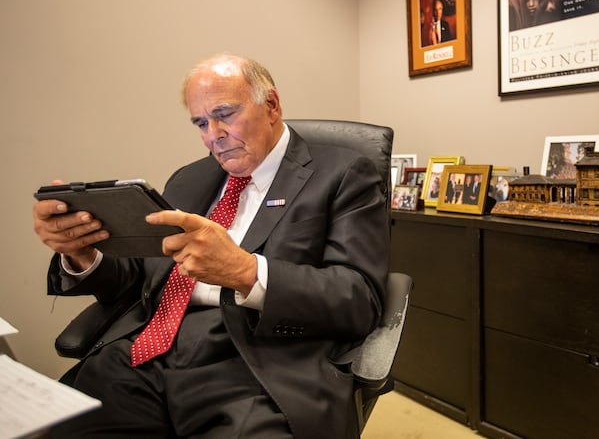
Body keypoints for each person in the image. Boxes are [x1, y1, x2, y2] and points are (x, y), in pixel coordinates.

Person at [32, 53, 390, 438]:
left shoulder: (344, 174)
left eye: (225, 114)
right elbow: (140, 278)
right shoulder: (189, 178)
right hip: (143, 352)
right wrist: (82, 253)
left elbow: (359, 299)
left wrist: (245, 271)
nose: (213, 134)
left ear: (271, 105)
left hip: (255, 362)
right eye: (201, 123)